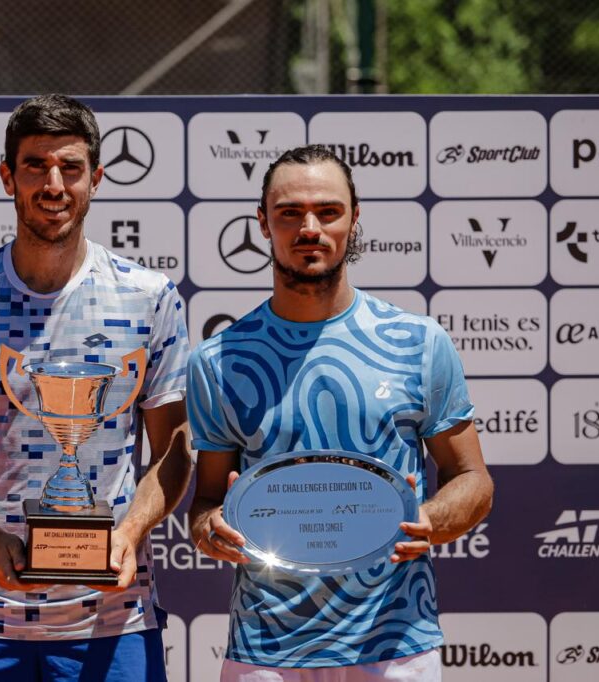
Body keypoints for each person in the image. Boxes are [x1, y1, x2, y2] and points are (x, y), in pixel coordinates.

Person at [0, 93, 191, 681]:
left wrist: (129, 533)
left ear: (96, 179)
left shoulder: (148, 299)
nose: (53, 185)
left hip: (111, 620)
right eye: (36, 166)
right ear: (8, 177)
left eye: (70, 168)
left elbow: (174, 452)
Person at [187, 144, 493, 681]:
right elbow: (207, 501)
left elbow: (473, 479)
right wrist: (210, 528)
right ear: (263, 223)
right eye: (290, 213)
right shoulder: (219, 360)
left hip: (396, 643)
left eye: (328, 211)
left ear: (354, 219)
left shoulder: (417, 342)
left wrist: (428, 520)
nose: (310, 228)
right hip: (266, 650)